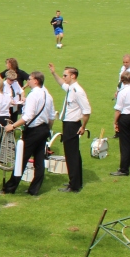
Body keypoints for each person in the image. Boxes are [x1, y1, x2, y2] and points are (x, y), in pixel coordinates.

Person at [1, 71, 55, 196]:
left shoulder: (33, 95)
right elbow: (52, 116)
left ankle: (10, 187)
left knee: (21, 158)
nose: (27, 81)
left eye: (29, 79)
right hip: (44, 128)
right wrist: (48, 130)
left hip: (33, 130)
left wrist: (13, 126)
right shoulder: (48, 95)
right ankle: (34, 189)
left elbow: (28, 116)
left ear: (36, 81)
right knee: (39, 160)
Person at [48, 63, 91, 192]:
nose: (64, 77)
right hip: (68, 124)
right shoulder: (71, 88)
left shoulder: (78, 91)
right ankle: (75, 182)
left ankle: (74, 185)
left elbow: (87, 111)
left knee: (71, 155)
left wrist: (83, 127)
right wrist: (53, 73)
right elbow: (62, 84)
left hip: (72, 125)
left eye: (65, 75)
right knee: (72, 154)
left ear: (73, 76)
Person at [112, 72, 130, 177]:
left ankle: (124, 169)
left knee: (124, 143)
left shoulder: (122, 91)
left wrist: (115, 121)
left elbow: (118, 109)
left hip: (125, 117)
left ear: (122, 80)